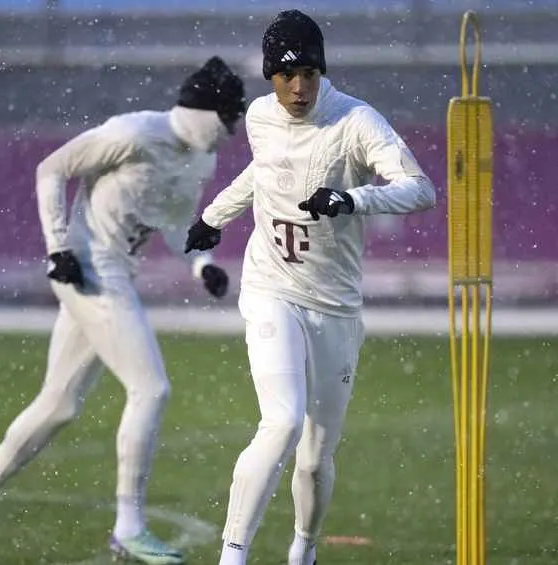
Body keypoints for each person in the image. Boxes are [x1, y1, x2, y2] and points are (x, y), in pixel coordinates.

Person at [0, 55, 246, 565]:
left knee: (58, 404)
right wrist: (57, 246)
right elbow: (51, 168)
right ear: (206, 112)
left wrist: (202, 265)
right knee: (151, 388)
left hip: (115, 276)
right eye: (230, 116)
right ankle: (129, 528)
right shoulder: (131, 134)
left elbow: (174, 222)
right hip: (88, 270)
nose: (234, 129)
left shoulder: (200, 157)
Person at [184, 10, 437, 565]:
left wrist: (353, 199)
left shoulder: (356, 122)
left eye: (310, 75)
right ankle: (233, 555)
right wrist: (216, 216)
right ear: (270, 77)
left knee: (315, 457)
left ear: (323, 73)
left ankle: (304, 549)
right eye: (286, 76)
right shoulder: (259, 116)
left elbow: (421, 190)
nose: (298, 89)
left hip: (336, 307)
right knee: (281, 422)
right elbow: (263, 168)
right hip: (271, 286)